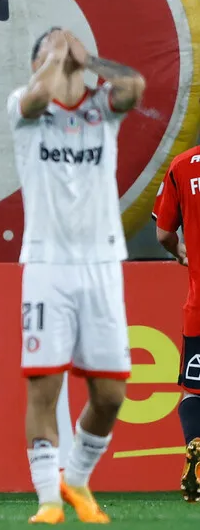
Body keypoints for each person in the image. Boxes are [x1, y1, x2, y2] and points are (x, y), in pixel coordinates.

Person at [9, 28, 145, 524]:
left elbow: (135, 86)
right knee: (43, 386)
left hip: (103, 263)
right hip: (47, 265)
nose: (64, 56)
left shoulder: (102, 109)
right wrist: (54, 57)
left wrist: (91, 60)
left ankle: (77, 480)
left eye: (68, 53)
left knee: (110, 395)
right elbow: (38, 94)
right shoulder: (24, 107)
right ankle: (48, 499)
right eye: (50, 53)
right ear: (35, 66)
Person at [152, 146, 199, 502]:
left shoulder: (183, 166)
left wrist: (180, 251)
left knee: (195, 393)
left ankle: (196, 445)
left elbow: (164, 234)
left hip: (199, 307)